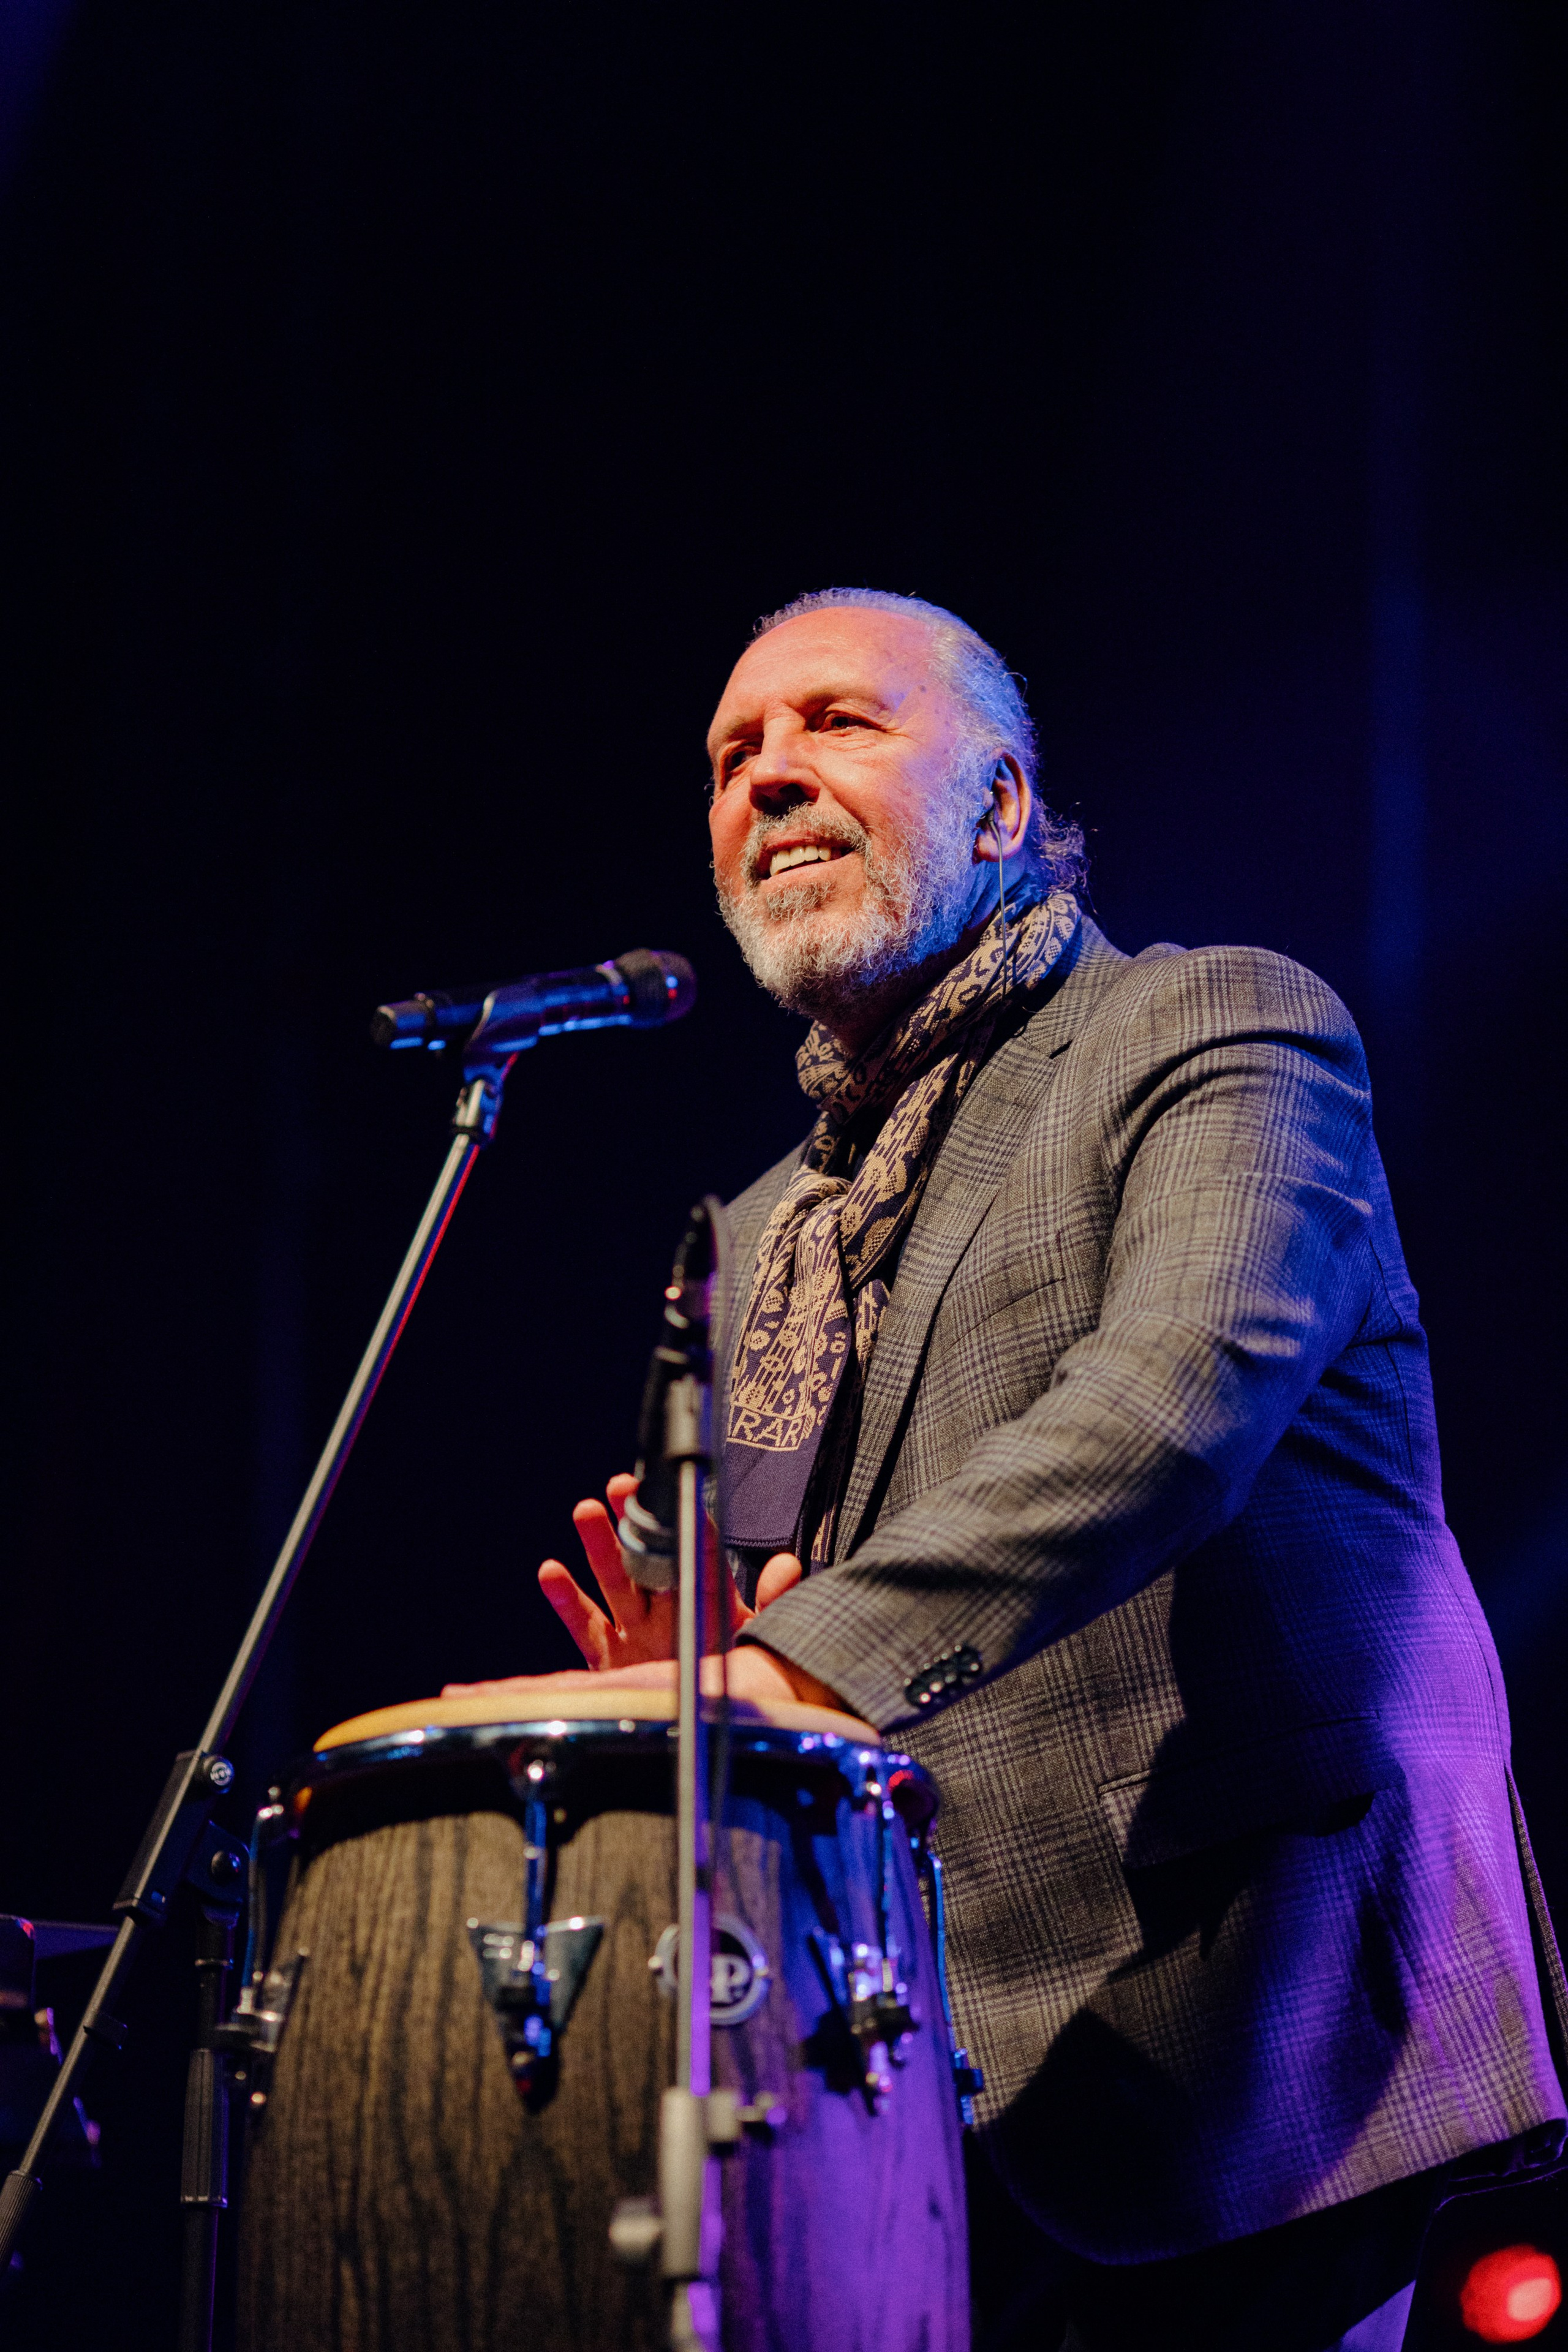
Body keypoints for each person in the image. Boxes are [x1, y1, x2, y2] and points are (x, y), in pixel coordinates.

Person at [452, 589, 1567, 2351]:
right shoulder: (759, 1239)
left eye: (837, 723)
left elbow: (1176, 1404)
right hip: (914, 2093)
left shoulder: (1216, 1028)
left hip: (1250, 2027)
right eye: (734, 755)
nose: (772, 775)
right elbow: (787, 1637)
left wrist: (784, 1666)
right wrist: (691, 1722)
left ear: (998, 805)